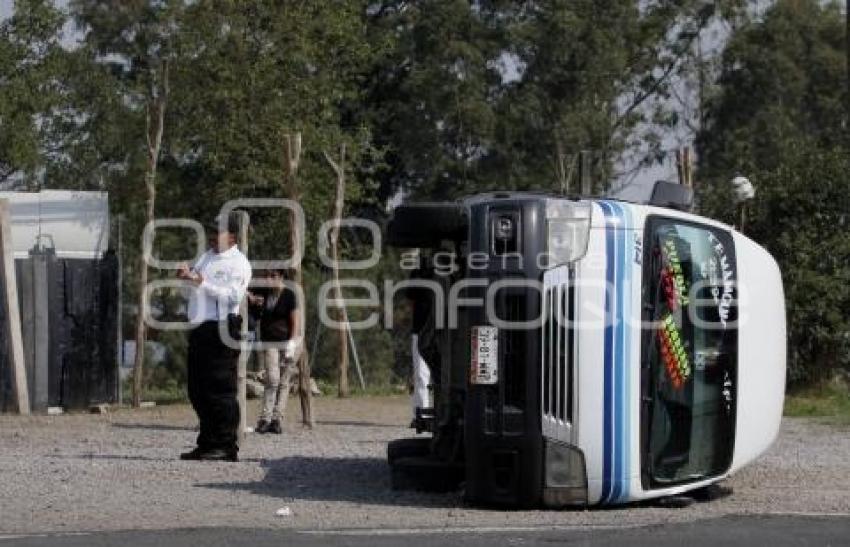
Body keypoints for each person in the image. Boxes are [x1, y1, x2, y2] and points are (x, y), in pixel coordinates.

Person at [177, 214, 251, 462]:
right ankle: (207, 443)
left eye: (217, 232)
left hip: (221, 328)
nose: (211, 236)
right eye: (210, 231)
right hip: (201, 328)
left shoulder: (239, 263)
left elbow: (232, 297)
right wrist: (187, 276)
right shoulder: (207, 257)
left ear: (232, 236)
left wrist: (201, 282)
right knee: (197, 389)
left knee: (221, 389)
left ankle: (226, 445)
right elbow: (197, 283)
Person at [246, 269, 301, 435]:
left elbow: (295, 320)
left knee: (284, 381)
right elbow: (244, 289)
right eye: (267, 276)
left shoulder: (289, 295)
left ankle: (277, 419)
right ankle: (265, 418)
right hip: (269, 340)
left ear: (281, 277)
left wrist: (292, 343)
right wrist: (251, 298)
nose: (269, 280)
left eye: (273, 276)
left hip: (288, 340)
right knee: (272, 378)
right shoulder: (264, 291)